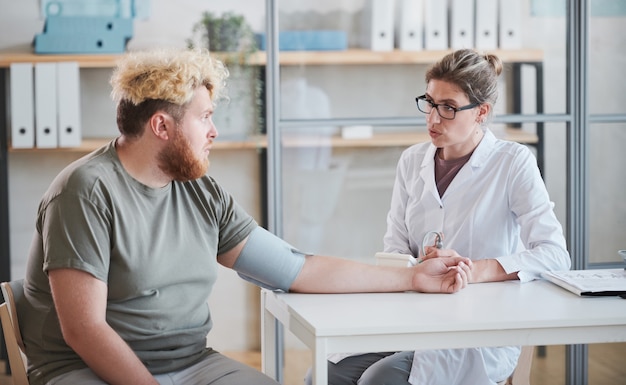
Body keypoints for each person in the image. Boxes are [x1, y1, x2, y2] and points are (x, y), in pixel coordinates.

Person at [19, 48, 473, 385]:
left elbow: (298, 269)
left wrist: (413, 277)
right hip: (86, 369)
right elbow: (84, 330)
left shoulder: (198, 189)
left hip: (189, 363)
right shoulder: (85, 191)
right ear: (162, 126)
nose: (214, 131)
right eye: (205, 117)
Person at [311, 49, 572, 385]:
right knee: (323, 373)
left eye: (448, 108)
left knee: (381, 380)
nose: (433, 119)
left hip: (481, 329)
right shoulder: (411, 161)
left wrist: (472, 270)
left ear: (481, 112)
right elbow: (394, 250)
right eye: (430, 103)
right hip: (413, 316)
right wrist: (419, 269)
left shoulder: (513, 162)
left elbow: (554, 254)